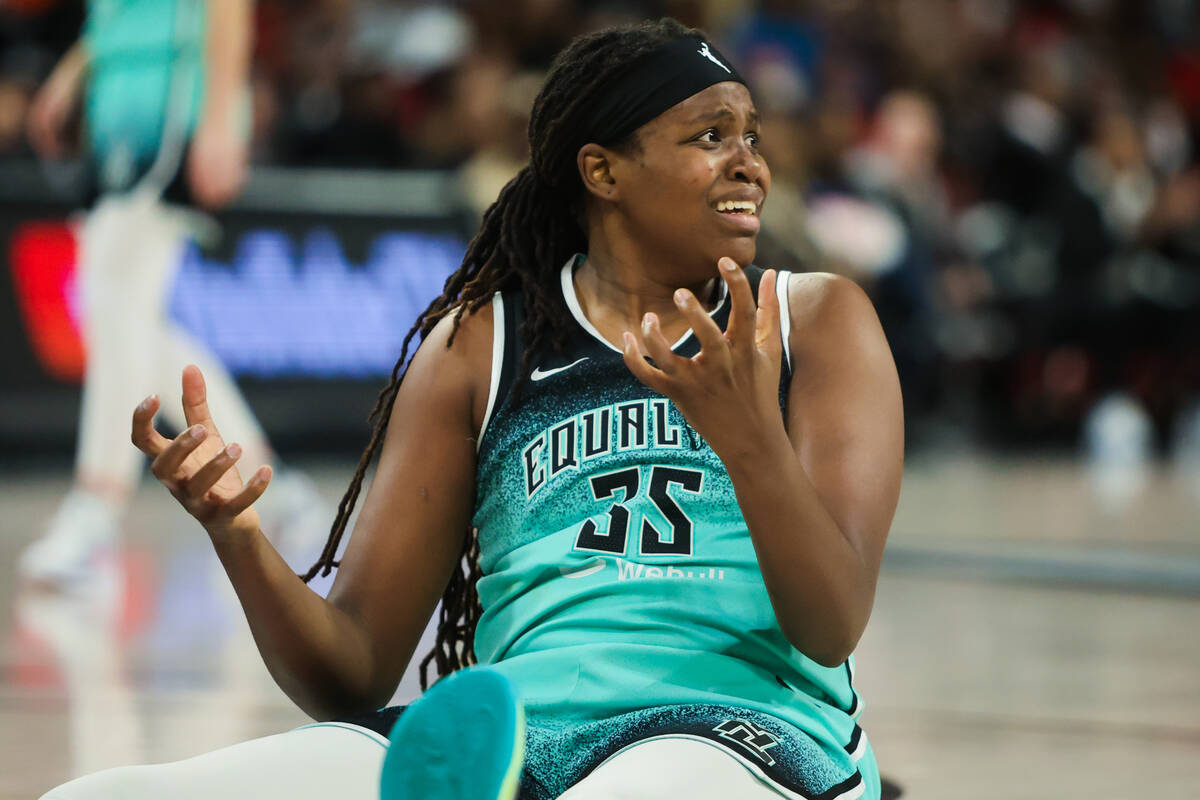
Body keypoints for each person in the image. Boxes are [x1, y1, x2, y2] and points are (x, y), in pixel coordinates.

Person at [41, 18, 903, 800]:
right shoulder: (480, 348)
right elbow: (353, 672)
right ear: (602, 171)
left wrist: (750, 440)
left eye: (750, 135)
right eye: (710, 136)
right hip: (511, 740)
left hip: (739, 732)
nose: (750, 160)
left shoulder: (815, 322)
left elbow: (829, 626)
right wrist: (239, 537)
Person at [20, 0, 320, 583]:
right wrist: (74, 72)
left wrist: (218, 117)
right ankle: (277, 488)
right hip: (118, 106)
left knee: (112, 300)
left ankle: (96, 504)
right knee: (133, 320)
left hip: (174, 107)